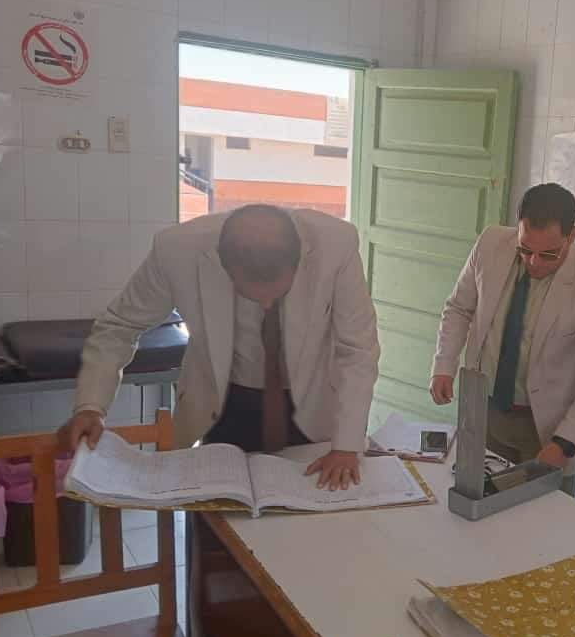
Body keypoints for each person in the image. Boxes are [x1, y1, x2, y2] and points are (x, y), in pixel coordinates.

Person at [60, 204, 380, 491]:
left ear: (299, 261)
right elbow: (118, 326)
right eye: (251, 296)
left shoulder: (335, 245)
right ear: (223, 265)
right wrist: (91, 406)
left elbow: (358, 349)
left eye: (277, 295)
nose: (266, 306)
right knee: (216, 515)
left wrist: (347, 445)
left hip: (313, 403)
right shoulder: (177, 250)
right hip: (224, 400)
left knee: (309, 515)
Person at [429, 183, 575, 495]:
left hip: (547, 429)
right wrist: (443, 365)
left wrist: (564, 443)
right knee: (481, 505)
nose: (534, 262)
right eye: (525, 249)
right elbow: (459, 308)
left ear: (572, 235)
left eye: (548, 254)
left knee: (543, 521)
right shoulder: (491, 243)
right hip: (486, 413)